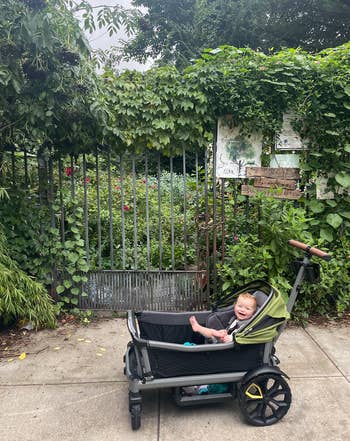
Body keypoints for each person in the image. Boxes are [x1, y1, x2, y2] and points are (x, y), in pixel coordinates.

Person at [189, 292, 257, 343]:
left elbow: (247, 337)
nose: (242, 310)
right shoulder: (234, 318)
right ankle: (198, 328)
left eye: (247, 309)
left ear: (253, 312)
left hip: (230, 347)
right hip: (224, 339)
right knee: (213, 332)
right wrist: (224, 332)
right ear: (235, 306)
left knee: (214, 334)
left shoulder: (249, 324)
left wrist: (232, 339)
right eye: (240, 306)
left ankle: (199, 328)